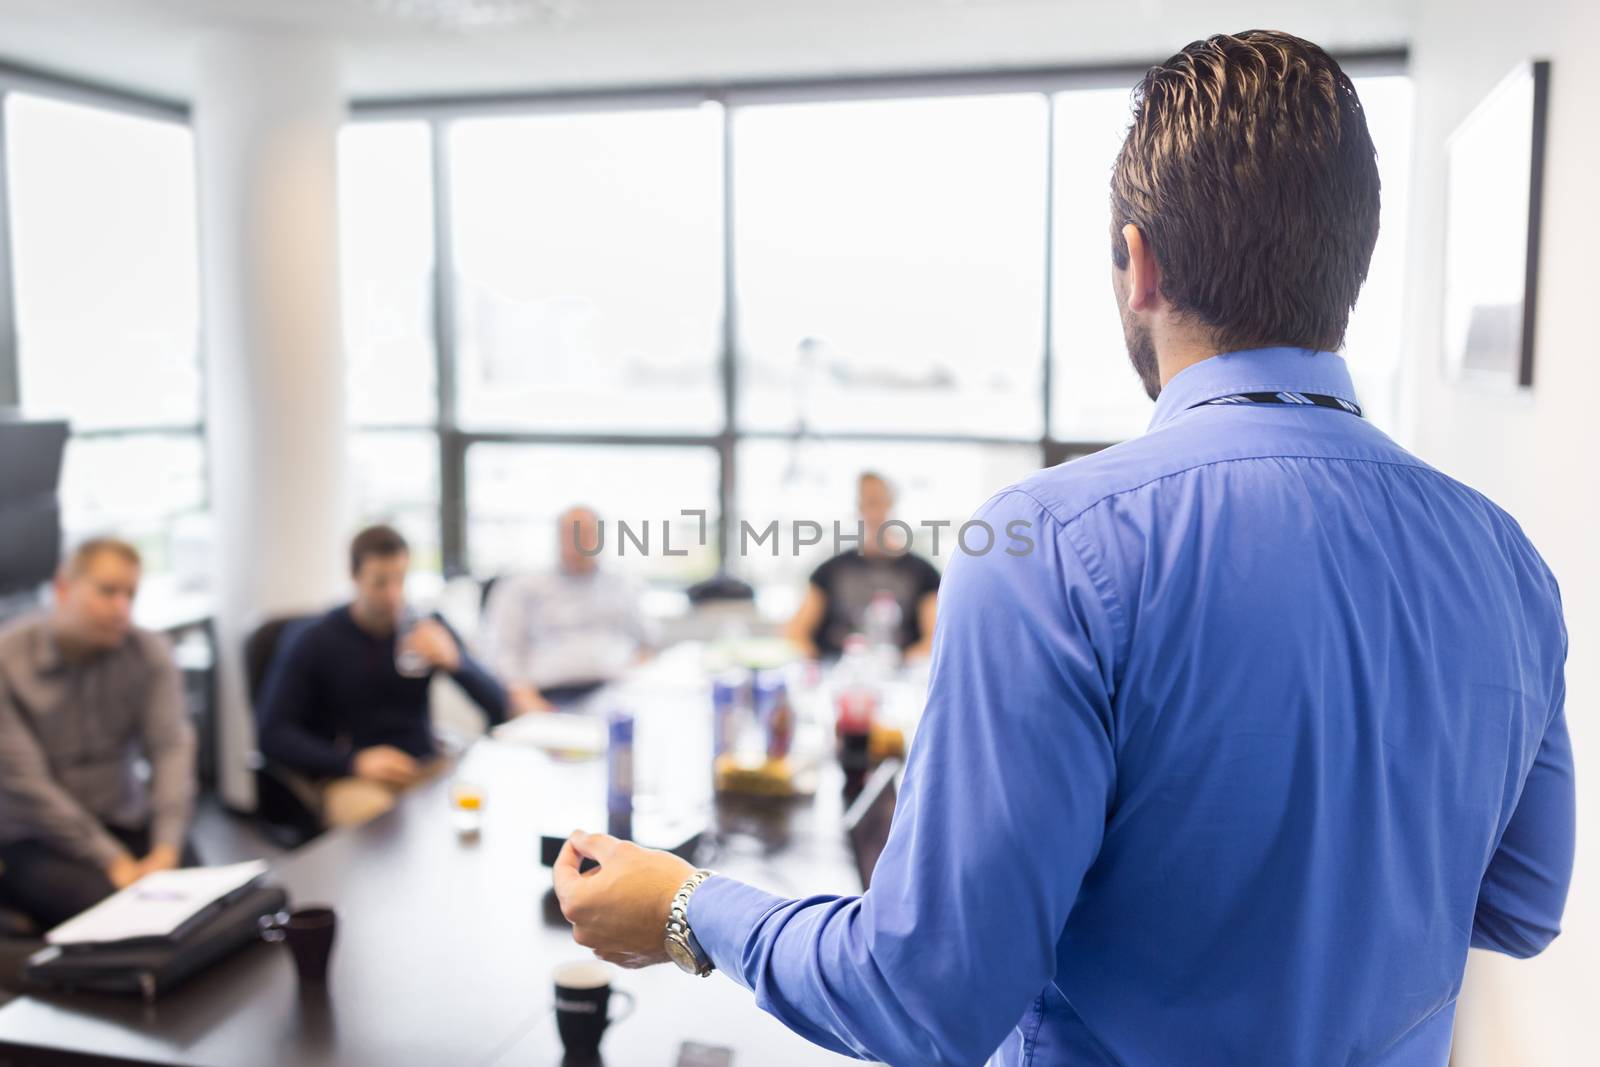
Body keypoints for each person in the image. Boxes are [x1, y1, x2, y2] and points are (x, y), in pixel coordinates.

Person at [551, 31, 1574, 1066]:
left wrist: (687, 909)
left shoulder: (1052, 545)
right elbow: (1523, 901)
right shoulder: (1507, 561)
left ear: (1139, 263)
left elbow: (922, 1000)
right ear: (1348, 261)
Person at [0, 539, 198, 931]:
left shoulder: (147, 652)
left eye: (130, 595)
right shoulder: (8, 661)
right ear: (62, 588)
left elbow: (171, 747)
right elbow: (28, 785)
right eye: (107, 591)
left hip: (124, 817)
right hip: (37, 837)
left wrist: (165, 847)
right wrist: (113, 860)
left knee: (200, 901)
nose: (121, 608)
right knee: (122, 917)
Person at [257, 525, 509, 827]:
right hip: (353, 775)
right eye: (380, 583)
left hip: (423, 766)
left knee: (479, 810)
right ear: (354, 576)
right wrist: (353, 762)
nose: (393, 595)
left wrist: (457, 663)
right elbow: (272, 733)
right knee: (381, 832)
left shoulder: (424, 626)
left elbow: (499, 705)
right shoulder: (316, 640)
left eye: (401, 580)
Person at [479, 506, 653, 714]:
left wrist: (637, 683)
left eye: (587, 533)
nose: (579, 541)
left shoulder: (622, 584)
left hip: (615, 693)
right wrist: (526, 699)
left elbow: (646, 644)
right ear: (558, 537)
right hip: (550, 697)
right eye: (572, 533)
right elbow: (501, 652)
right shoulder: (522, 586)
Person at [784, 471, 940, 660]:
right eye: (867, 502)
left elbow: (934, 639)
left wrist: (902, 667)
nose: (873, 511)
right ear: (859, 507)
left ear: (890, 503)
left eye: (877, 501)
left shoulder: (923, 573)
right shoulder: (830, 570)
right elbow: (796, 632)